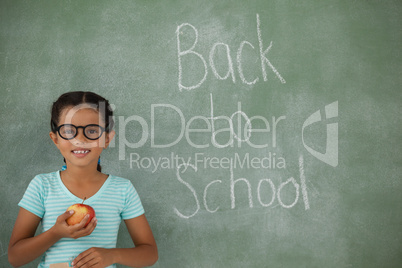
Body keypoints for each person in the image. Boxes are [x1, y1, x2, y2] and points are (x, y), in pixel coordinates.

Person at [8, 91, 158, 268]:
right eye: (69, 131)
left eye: (92, 131)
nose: (80, 139)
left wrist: (112, 255)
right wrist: (55, 233)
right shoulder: (42, 186)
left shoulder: (122, 189)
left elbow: (150, 253)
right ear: (55, 139)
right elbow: (15, 258)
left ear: (107, 138)